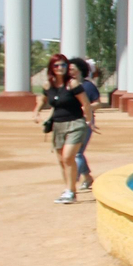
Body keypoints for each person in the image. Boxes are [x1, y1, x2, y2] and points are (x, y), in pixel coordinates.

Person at [33, 54, 94, 204]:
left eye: (63, 65)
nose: (60, 68)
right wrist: (37, 111)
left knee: (68, 157)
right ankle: (69, 189)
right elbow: (42, 98)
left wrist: (89, 121)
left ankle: (71, 192)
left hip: (75, 124)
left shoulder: (72, 84)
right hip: (58, 125)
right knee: (62, 160)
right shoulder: (49, 85)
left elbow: (85, 103)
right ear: (51, 68)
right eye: (56, 65)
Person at [69, 57, 100, 191]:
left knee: (77, 153)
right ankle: (87, 177)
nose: (70, 72)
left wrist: (86, 108)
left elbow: (97, 103)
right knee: (75, 152)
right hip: (70, 120)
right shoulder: (68, 85)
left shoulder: (88, 86)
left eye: (72, 69)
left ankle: (72, 181)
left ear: (80, 70)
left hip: (85, 120)